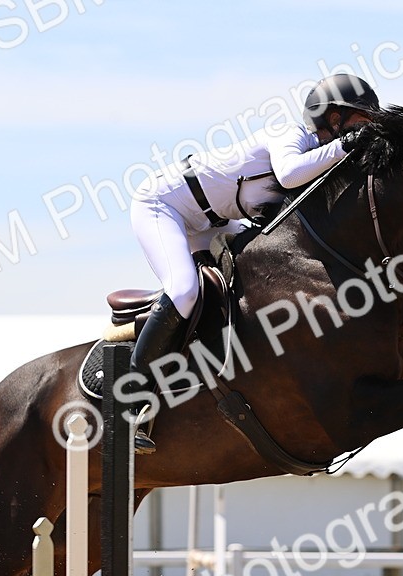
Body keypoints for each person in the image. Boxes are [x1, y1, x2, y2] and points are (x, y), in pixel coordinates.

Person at [128, 73, 381, 453]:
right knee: (183, 291)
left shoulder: (325, 160)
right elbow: (290, 173)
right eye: (363, 122)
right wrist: (349, 144)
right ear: (333, 118)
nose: (367, 131)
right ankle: (131, 399)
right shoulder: (290, 136)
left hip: (210, 221)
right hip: (164, 205)